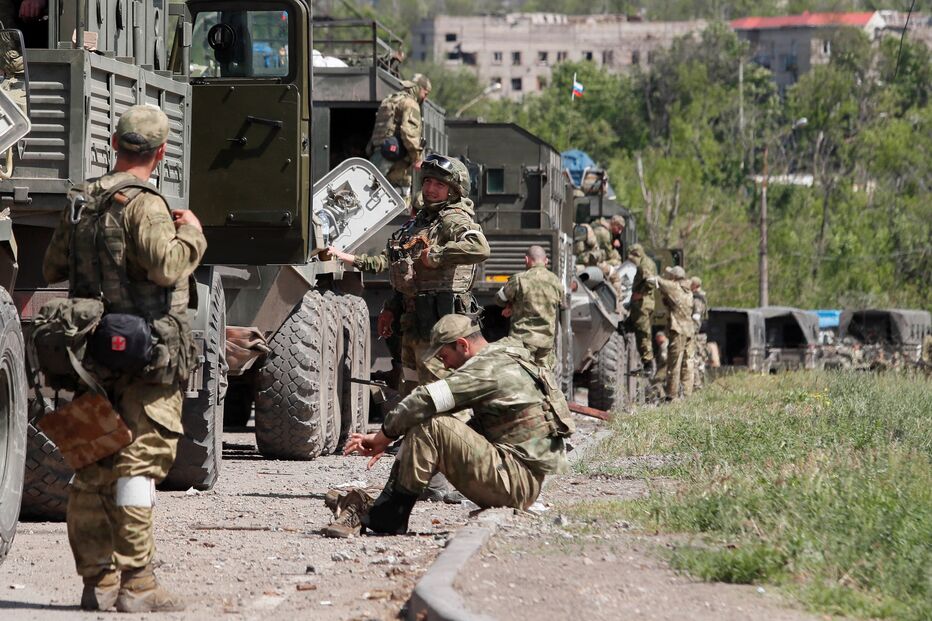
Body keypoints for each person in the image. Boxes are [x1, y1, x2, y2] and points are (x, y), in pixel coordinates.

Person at [42, 105, 206, 613]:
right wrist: (193, 234)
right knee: (138, 466)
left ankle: (98, 583)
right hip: (148, 355)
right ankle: (138, 583)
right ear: (159, 154)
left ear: (114, 145)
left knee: (91, 464)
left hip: (88, 350)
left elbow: (53, 266)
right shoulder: (146, 204)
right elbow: (164, 267)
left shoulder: (80, 201)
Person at [322, 314, 574, 538]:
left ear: (463, 345)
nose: (445, 366)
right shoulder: (505, 356)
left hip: (514, 482)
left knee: (430, 425)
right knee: (428, 425)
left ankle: (387, 516)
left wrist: (383, 436)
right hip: (521, 477)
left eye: (445, 356)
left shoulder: (482, 369)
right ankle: (384, 507)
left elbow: (424, 399)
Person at [328, 153, 489, 390]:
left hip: (440, 328)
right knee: (411, 392)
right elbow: (393, 263)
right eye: (427, 182)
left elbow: (479, 247)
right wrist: (390, 307)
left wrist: (436, 256)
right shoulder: (419, 222)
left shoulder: (453, 219)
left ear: (453, 191)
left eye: (439, 184)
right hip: (412, 324)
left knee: (437, 393)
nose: (430, 189)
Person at [495, 245, 564, 369]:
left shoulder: (519, 279)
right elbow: (562, 304)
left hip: (523, 341)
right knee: (545, 379)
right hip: (546, 343)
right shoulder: (556, 282)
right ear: (546, 261)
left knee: (522, 377)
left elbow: (500, 299)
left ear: (526, 260)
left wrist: (510, 305)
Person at [367, 73, 432, 199]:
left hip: (379, 157)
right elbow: (409, 133)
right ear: (420, 89)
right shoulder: (410, 103)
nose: (425, 98)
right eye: (426, 94)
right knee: (398, 199)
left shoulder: (390, 100)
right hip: (397, 162)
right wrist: (417, 158)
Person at [651, 266, 694, 400]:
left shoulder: (675, 287)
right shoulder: (688, 290)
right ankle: (687, 395)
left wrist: (653, 278)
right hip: (689, 330)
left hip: (678, 330)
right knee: (688, 364)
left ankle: (672, 396)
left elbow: (658, 281)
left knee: (674, 364)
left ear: (674, 277)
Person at [628, 244, 657, 377]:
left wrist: (641, 293)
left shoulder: (644, 265)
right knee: (637, 328)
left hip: (643, 303)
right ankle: (647, 363)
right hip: (644, 303)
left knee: (643, 332)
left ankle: (648, 364)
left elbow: (650, 282)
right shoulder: (647, 262)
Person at [689, 276, 708, 390]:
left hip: (698, 336)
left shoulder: (697, 300)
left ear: (695, 286)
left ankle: (697, 386)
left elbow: (696, 319)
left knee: (696, 360)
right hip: (700, 335)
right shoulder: (701, 298)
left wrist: (691, 333)